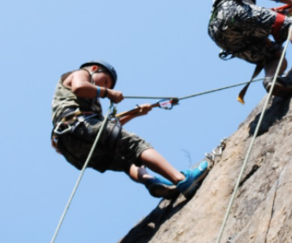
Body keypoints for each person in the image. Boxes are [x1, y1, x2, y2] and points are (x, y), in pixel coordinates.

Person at [51, 60, 209, 199]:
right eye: (105, 81)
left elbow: (109, 129)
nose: (103, 86)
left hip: (73, 148)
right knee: (136, 145)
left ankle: (152, 182)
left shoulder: (91, 103)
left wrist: (136, 113)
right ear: (94, 68)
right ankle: (181, 180)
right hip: (78, 127)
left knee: (127, 161)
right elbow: (79, 87)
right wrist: (107, 92)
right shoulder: (81, 73)